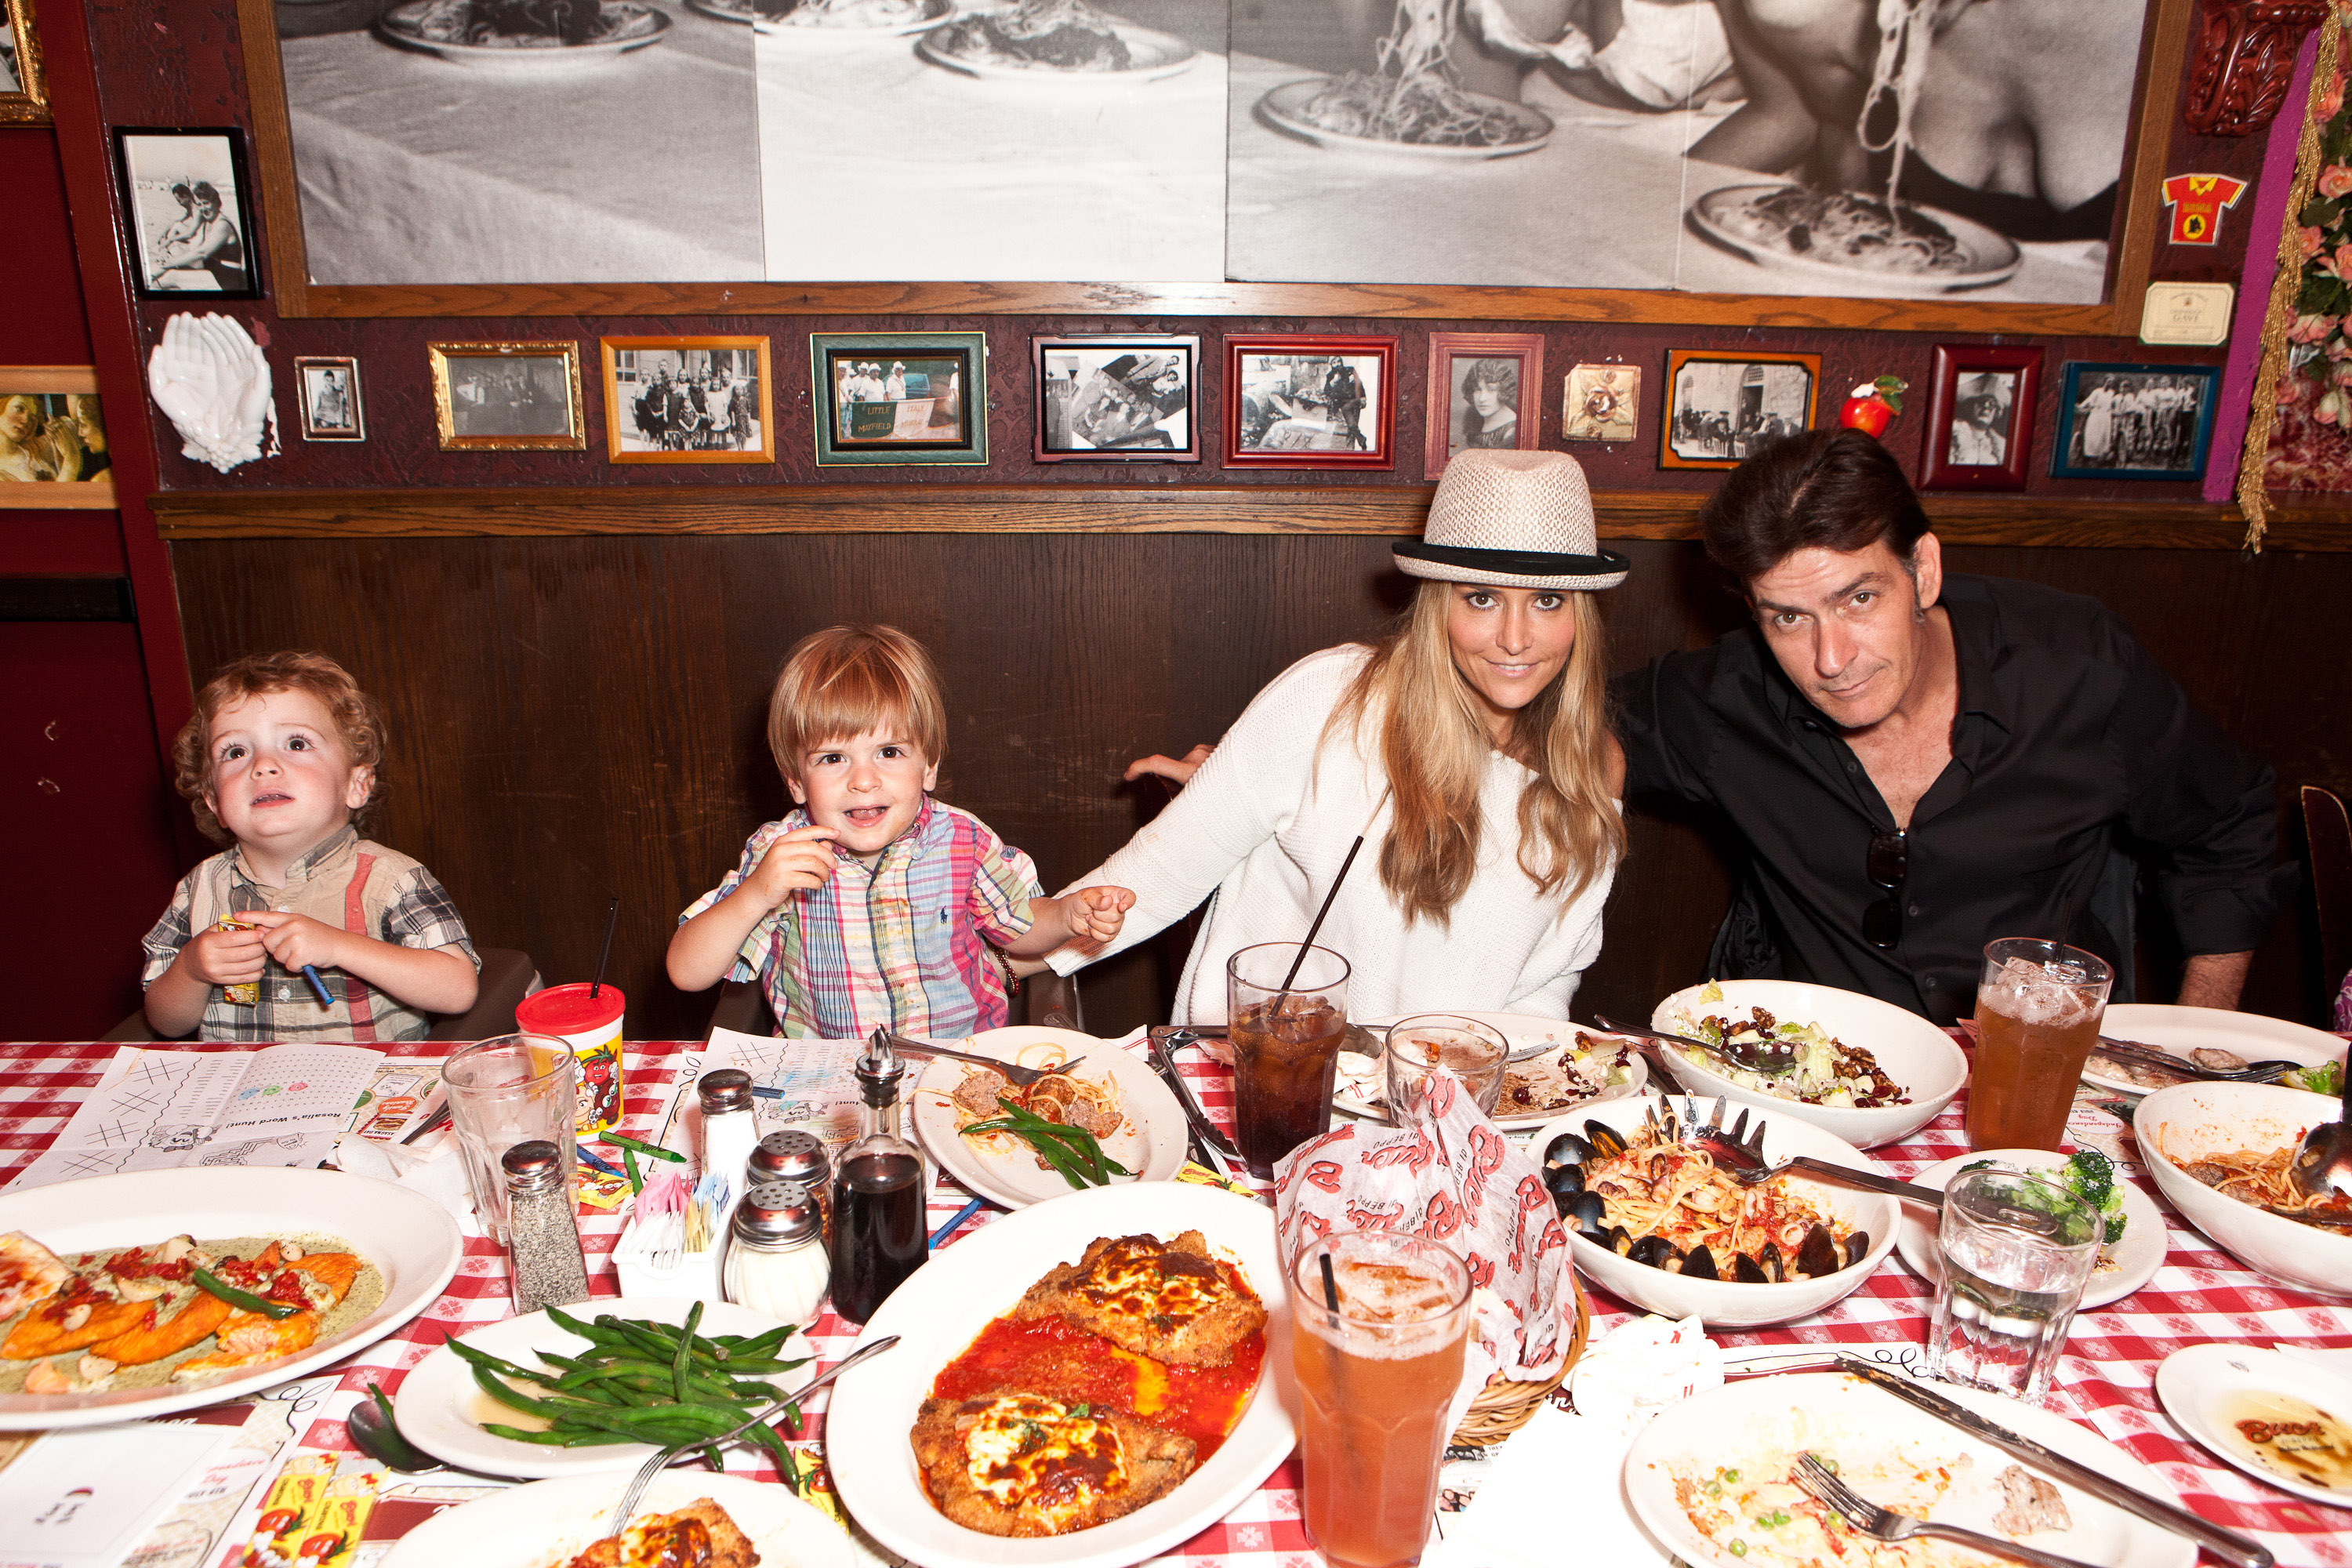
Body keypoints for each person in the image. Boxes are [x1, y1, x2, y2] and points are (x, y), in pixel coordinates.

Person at [1612, 429, 2289, 1024]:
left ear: (1924, 570)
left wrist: (2202, 1040)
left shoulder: (2077, 670)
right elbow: (1560, 731)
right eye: (1788, 617)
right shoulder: (1728, 695)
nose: (1831, 658)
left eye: (1859, 598)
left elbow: (2230, 824)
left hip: (2030, 1075)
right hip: (1806, 1081)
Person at [1062, 449, 1630, 1022]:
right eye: (1481, 598)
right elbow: (1149, 881)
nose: (1515, 638)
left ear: (1581, 616)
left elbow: (1548, 978)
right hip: (1267, 1079)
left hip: (1460, 1096)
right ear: (1437, 605)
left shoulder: (1593, 764)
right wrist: (997, 950)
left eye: (1548, 600)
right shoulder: (1329, 700)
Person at [668, 625, 1137, 1038]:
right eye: (833, 758)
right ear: (795, 781)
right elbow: (686, 972)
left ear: (929, 765)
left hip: (956, 1071)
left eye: (889, 752)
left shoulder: (964, 842)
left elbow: (1019, 928)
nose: (863, 780)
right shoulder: (778, 855)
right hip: (835, 1089)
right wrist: (756, 894)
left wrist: (1065, 916)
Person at [141, 652, 482, 1041]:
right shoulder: (198, 888)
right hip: (245, 1096)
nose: (263, 765)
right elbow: (166, 1022)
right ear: (214, 802)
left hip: (370, 1096)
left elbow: (458, 989)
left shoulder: (392, 880)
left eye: (297, 744)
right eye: (236, 752)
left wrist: (338, 946)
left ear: (356, 785)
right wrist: (191, 970)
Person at [0, 394, 84, 482]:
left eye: (31, 419)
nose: (25, 420)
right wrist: (72, 458)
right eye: (19, 409)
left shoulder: (33, 451)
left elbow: (80, 428)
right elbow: (57, 496)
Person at [1459, 358, 1519, 451]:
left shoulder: (1511, 431)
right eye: (1477, 390)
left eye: (1491, 390)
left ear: (1504, 391)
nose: (1482, 398)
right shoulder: (1475, 419)